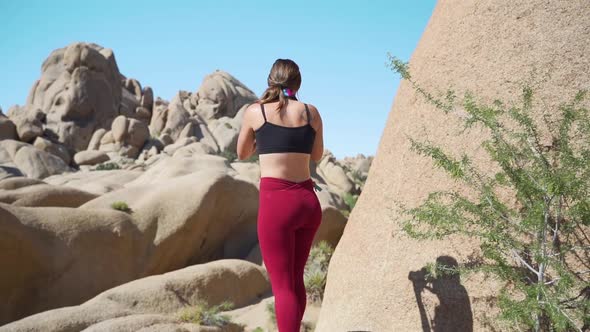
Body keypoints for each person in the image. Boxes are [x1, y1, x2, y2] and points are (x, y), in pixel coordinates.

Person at [237, 58, 324, 331]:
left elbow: (242, 153)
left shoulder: (256, 112)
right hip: (308, 203)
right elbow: (317, 156)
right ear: (298, 83)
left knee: (283, 288)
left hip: (278, 205)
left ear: (270, 81)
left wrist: (263, 139)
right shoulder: (311, 113)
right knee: (296, 281)